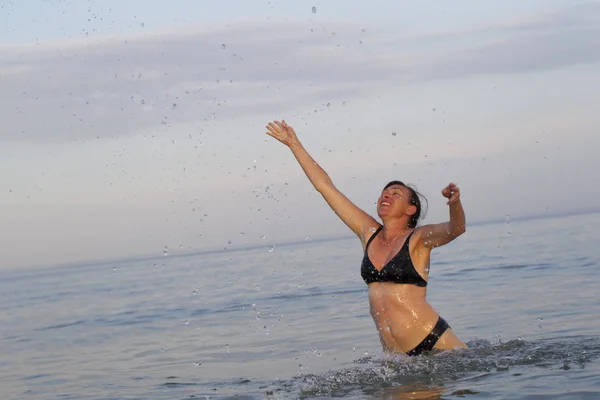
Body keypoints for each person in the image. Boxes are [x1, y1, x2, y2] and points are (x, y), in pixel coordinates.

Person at [265, 119, 469, 356]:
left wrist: (455, 203)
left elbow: (457, 228)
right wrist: (294, 145)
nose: (386, 196)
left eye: (396, 194)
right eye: (384, 193)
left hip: (436, 346)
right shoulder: (369, 234)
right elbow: (325, 187)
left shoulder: (419, 239)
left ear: (410, 210)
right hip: (398, 360)